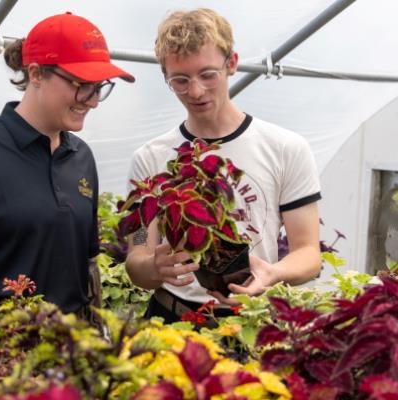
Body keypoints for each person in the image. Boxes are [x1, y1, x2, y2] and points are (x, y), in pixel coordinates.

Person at [0, 12, 135, 318]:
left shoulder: (81, 157)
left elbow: (85, 269)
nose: (93, 100)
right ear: (36, 74)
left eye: (99, 86)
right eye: (81, 84)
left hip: (71, 355)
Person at [125, 8, 321, 324]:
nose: (196, 91)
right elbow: (137, 260)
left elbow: (309, 253)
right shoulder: (150, 158)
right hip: (174, 319)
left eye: (207, 74)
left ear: (231, 64)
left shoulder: (286, 148)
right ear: (166, 77)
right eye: (180, 80)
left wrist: (273, 273)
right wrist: (152, 267)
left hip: (251, 321)